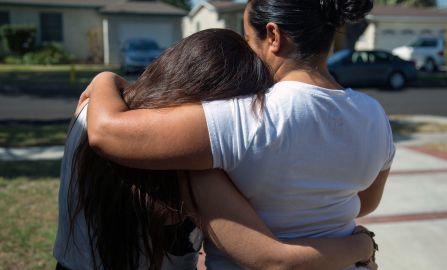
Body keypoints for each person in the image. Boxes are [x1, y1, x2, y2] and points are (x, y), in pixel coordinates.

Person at [84, 0, 395, 268]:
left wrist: (103, 79)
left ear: (273, 36)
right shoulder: (374, 115)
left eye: (249, 40)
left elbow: (105, 133)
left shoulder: (245, 116)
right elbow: (365, 203)